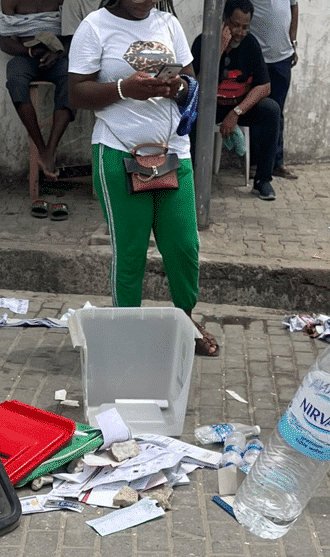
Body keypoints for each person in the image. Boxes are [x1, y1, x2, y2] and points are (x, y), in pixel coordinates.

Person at [68, 0, 220, 356]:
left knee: (184, 246)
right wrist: (124, 89)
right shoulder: (95, 26)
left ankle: (185, 320)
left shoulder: (168, 23)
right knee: (131, 252)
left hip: (172, 152)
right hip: (119, 152)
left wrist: (176, 88)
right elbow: (76, 93)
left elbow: (191, 85)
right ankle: (126, 332)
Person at [191, 0, 283, 202]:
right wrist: (219, 50)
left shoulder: (250, 45)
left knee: (271, 110)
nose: (240, 32)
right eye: (235, 25)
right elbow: (195, 85)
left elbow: (264, 87)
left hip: (237, 106)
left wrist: (237, 112)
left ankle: (262, 181)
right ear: (224, 21)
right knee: (190, 117)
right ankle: (192, 178)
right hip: (210, 106)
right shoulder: (203, 42)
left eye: (245, 27)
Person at [0, 0, 75, 199]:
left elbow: (80, 34)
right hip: (26, 56)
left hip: (58, 56)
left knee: (72, 79)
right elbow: (4, 41)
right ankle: (42, 150)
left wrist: (59, 52)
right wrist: (30, 51)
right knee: (15, 79)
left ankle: (51, 149)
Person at [247, 0, 298, 181]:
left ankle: (276, 163)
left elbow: (294, 6)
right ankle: (254, 163)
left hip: (282, 57)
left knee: (277, 112)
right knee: (254, 109)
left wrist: (293, 41)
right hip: (257, 58)